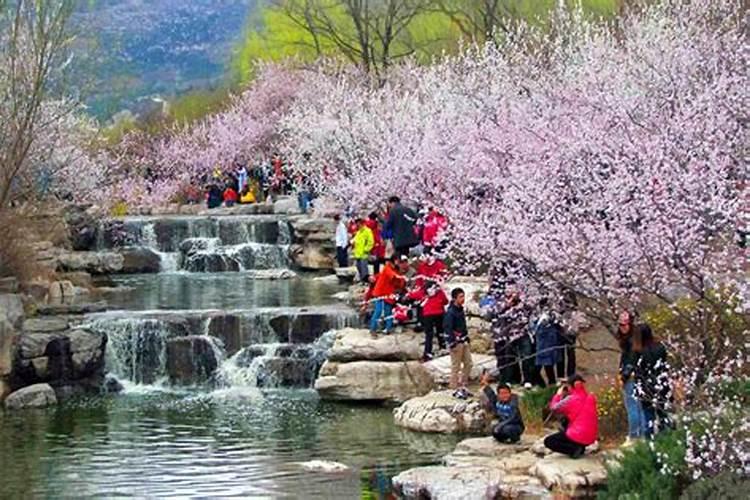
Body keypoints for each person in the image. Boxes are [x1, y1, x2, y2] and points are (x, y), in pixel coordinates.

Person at [544, 374, 598, 458]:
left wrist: (558, 395)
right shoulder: (591, 397)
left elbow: (554, 408)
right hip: (590, 436)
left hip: (577, 434)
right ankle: (581, 447)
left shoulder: (571, 399)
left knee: (549, 441)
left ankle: (573, 449)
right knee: (568, 421)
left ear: (572, 386)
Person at [633, 324, 672, 439]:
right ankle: (666, 438)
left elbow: (637, 370)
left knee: (648, 417)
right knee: (662, 414)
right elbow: (664, 364)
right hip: (661, 384)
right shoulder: (660, 347)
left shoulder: (638, 352)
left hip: (645, 387)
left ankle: (650, 442)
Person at [617, 310, 645, 444]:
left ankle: (634, 436)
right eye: (620, 325)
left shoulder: (631, 342)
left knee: (632, 406)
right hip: (639, 376)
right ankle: (643, 434)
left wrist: (623, 377)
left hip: (631, 377)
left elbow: (630, 361)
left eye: (625, 325)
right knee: (639, 406)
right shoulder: (636, 340)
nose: (622, 328)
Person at [480, 372, 525, 443]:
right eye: (502, 394)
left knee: (506, 429)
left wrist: (500, 425)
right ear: (498, 395)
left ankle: (516, 439)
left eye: (507, 393)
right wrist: (485, 382)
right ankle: (503, 440)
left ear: (510, 393)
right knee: (493, 428)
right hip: (503, 423)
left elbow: (513, 418)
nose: (505, 396)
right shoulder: (497, 400)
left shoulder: (513, 402)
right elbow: (490, 394)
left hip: (515, 425)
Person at [444, 287, 472, 399]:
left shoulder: (460, 309)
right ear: (455, 298)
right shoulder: (450, 312)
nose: (463, 299)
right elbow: (447, 327)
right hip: (456, 341)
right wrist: (452, 341)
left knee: (469, 363)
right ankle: (454, 388)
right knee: (456, 366)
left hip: (464, 340)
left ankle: (463, 385)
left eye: (463, 296)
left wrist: (466, 336)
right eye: (460, 297)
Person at [369, 256, 408, 335]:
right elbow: (393, 275)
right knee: (378, 310)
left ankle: (388, 329)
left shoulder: (396, 270)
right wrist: (401, 278)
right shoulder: (387, 267)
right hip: (380, 292)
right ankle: (373, 329)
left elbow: (398, 283)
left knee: (388, 311)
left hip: (389, 293)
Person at [414, 280, 449, 361]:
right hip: (439, 313)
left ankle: (427, 352)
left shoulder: (423, 292)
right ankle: (442, 346)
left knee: (429, 334)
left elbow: (414, 296)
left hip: (427, 314)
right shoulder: (439, 291)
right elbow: (445, 301)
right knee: (440, 331)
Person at [531, 297, 562, 387]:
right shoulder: (537, 315)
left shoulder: (550, 315)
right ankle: (546, 385)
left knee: (545, 367)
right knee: (545, 367)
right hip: (542, 343)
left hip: (548, 343)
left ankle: (548, 385)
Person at [351, 218, 375, 283]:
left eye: (358, 224)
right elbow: (355, 240)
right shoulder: (358, 232)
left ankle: (366, 282)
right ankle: (362, 281)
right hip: (358, 254)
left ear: (362, 223)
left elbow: (371, 242)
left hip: (364, 254)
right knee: (359, 268)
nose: (357, 225)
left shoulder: (367, 231)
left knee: (364, 269)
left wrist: (366, 249)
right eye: (357, 224)